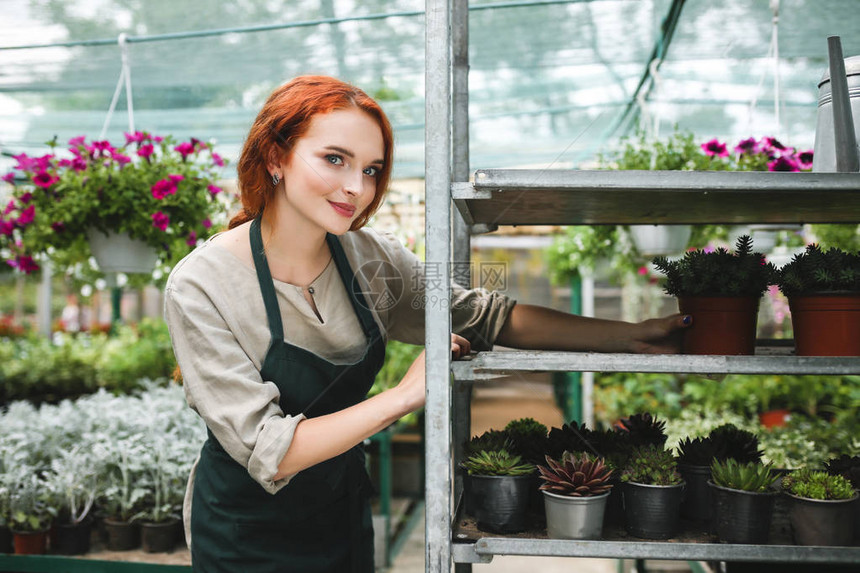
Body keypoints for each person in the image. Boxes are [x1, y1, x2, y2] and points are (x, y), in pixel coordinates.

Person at [164, 75, 691, 572]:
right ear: (276, 156)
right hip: (242, 529)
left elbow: (489, 317)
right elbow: (269, 450)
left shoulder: (373, 260)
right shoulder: (202, 285)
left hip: (340, 512)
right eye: (334, 159)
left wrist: (628, 334)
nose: (356, 187)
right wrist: (403, 395)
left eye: (370, 169)